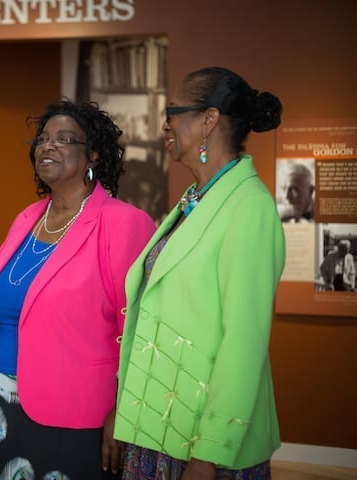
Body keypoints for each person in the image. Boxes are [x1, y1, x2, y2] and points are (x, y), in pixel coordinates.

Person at [0, 100, 156, 479]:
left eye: (65, 139)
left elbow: (138, 330)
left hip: (74, 411)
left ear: (94, 157)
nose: (48, 146)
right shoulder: (27, 218)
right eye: (43, 139)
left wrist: (125, 412)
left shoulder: (123, 224)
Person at [110, 67, 286, 479]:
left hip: (201, 446)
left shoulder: (249, 207)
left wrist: (208, 454)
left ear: (209, 120)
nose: (165, 123)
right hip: (156, 427)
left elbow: (245, 341)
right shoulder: (195, 199)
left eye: (173, 111)